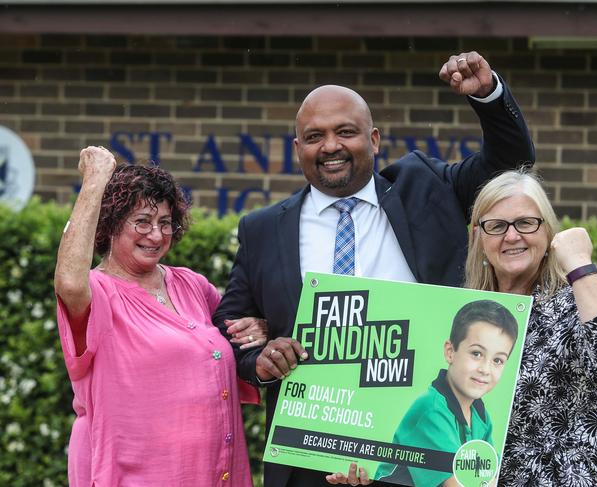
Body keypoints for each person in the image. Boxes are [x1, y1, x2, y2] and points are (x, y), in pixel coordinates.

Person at [213, 51, 535, 487]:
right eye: (314, 136)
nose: (330, 146)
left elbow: (510, 166)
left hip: (419, 452)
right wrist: (260, 360)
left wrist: (487, 97)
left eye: (346, 132)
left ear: (375, 139)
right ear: (297, 149)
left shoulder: (427, 187)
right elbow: (228, 332)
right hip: (311, 454)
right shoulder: (263, 229)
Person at [53, 146, 267, 486]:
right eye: (142, 222)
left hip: (213, 471)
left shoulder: (191, 284)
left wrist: (259, 327)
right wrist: (95, 181)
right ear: (110, 225)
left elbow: (236, 332)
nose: (156, 235)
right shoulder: (99, 292)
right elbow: (67, 281)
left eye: (165, 223)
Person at [465, 169, 597, 486]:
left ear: (548, 232)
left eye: (525, 223)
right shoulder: (460, 314)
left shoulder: (572, 303)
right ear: (478, 237)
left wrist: (579, 264)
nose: (511, 236)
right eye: (496, 226)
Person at [375, 300, 519, 486]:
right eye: (476, 353)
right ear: (450, 352)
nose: (485, 369)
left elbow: (491, 474)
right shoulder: (431, 410)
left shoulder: (480, 415)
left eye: (498, 360)